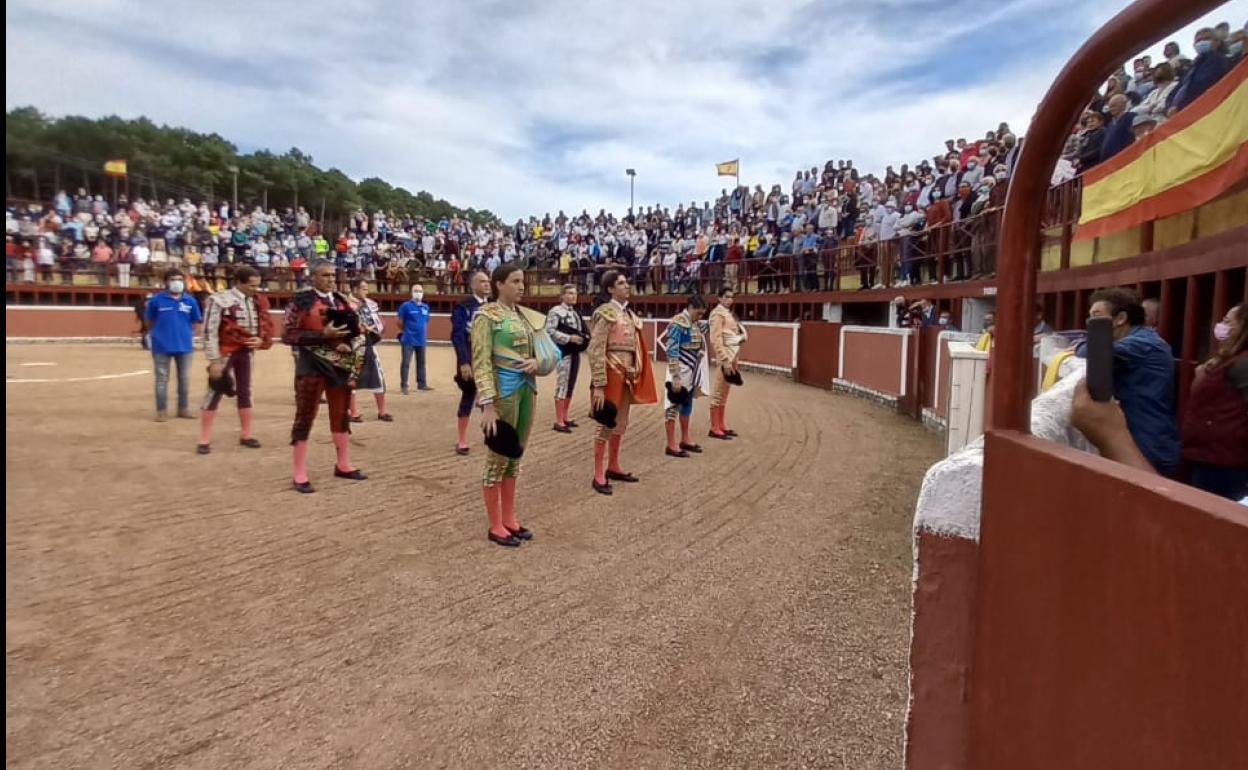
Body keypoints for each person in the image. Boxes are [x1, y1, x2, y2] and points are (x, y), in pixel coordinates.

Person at [473, 263, 555, 546]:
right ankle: (495, 524)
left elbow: (545, 353)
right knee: (497, 457)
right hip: (501, 394)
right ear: (499, 284)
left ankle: (509, 518)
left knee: (515, 456)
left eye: (523, 281)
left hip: (526, 389)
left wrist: (537, 362)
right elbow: (481, 361)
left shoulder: (523, 316)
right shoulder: (486, 316)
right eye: (515, 281)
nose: (521, 286)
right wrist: (486, 403)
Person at [282, 259, 367, 493]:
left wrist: (349, 340)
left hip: (338, 365)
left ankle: (343, 464)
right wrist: (322, 334)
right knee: (305, 415)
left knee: (341, 414)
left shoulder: (340, 300)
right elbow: (288, 334)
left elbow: (353, 329)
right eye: (325, 275)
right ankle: (299, 473)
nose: (330, 279)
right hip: (311, 364)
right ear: (313, 277)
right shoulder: (301, 300)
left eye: (332, 275)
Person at [1078, 287, 1181, 476]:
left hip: (1148, 444)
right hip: (1141, 439)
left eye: (1097, 315)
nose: (1090, 323)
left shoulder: (1144, 343)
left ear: (1120, 318)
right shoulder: (1139, 341)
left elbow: (1089, 352)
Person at [588, 269, 657, 495]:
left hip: (626, 373)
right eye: (621, 283)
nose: (627, 286)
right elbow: (596, 349)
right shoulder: (605, 313)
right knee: (606, 421)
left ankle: (613, 465)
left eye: (627, 282)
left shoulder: (628, 315)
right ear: (610, 289)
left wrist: (635, 370)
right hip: (610, 373)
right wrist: (598, 384)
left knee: (620, 422)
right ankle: (598, 473)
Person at [197, 265, 272, 454]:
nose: (255, 289)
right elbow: (209, 331)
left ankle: (246, 434)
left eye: (257, 286)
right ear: (239, 283)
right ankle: (204, 439)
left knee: (246, 390)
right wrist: (214, 360)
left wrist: (260, 339)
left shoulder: (255, 301)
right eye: (251, 286)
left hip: (246, 351)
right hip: (225, 352)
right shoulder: (219, 300)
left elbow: (262, 325)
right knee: (214, 391)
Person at [1181, 304, 1248, 500]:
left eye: (1228, 321)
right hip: (1209, 456)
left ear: (1243, 327)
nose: (1220, 325)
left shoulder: (1242, 363)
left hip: (1225, 463)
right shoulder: (1228, 359)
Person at [145, 269, 202, 422]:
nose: (177, 282)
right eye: (173, 279)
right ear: (166, 282)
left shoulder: (190, 301)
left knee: (184, 379)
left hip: (184, 346)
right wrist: (157, 334)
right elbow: (149, 321)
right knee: (162, 379)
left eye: (179, 279)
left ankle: (183, 409)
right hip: (161, 346)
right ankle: (161, 410)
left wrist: (187, 335)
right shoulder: (156, 300)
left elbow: (196, 321)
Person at [663, 294, 709, 458]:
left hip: (690, 369)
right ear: (689, 308)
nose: (700, 317)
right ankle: (671, 444)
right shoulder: (678, 323)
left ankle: (685, 439)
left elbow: (704, 329)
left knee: (687, 402)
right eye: (698, 313)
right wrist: (675, 376)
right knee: (672, 405)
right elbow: (672, 349)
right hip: (680, 369)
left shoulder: (693, 323)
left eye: (702, 314)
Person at [451, 270, 491, 455]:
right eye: (482, 282)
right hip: (471, 356)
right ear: (473, 286)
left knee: (490, 396)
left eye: (488, 281)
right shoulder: (464, 306)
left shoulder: (493, 306)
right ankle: (461, 440)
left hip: (489, 357)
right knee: (469, 394)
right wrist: (464, 362)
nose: (487, 284)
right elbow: (458, 335)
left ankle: (490, 435)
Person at [347, 279, 393, 423]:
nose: (366, 291)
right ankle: (353, 413)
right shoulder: (347, 306)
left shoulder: (370, 304)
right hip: (354, 345)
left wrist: (378, 327)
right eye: (363, 288)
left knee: (378, 376)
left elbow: (377, 321)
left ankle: (382, 411)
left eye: (367, 289)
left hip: (369, 344)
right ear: (355, 289)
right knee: (352, 377)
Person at [545, 283, 589, 432]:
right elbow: (549, 331)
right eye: (569, 293)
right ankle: (558, 420)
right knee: (562, 383)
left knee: (570, 384)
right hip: (562, 351)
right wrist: (569, 338)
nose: (573, 296)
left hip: (574, 352)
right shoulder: (555, 311)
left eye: (574, 293)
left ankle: (564, 417)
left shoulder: (575, 313)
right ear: (562, 296)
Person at [707, 287, 748, 439]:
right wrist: (724, 359)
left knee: (725, 392)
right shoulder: (717, 314)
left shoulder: (728, 314)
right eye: (727, 297)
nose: (730, 300)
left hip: (732, 357)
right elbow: (715, 338)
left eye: (732, 297)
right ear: (720, 298)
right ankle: (714, 427)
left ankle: (721, 425)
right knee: (718, 391)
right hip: (725, 359)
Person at [397, 285, 432, 394]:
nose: (418, 293)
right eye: (416, 291)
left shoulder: (425, 307)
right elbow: (399, 321)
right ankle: (404, 385)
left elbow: (426, 321)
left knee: (421, 362)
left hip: (421, 339)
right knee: (406, 363)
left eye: (420, 291)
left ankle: (422, 384)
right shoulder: (405, 306)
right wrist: (406, 330)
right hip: (408, 339)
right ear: (411, 292)